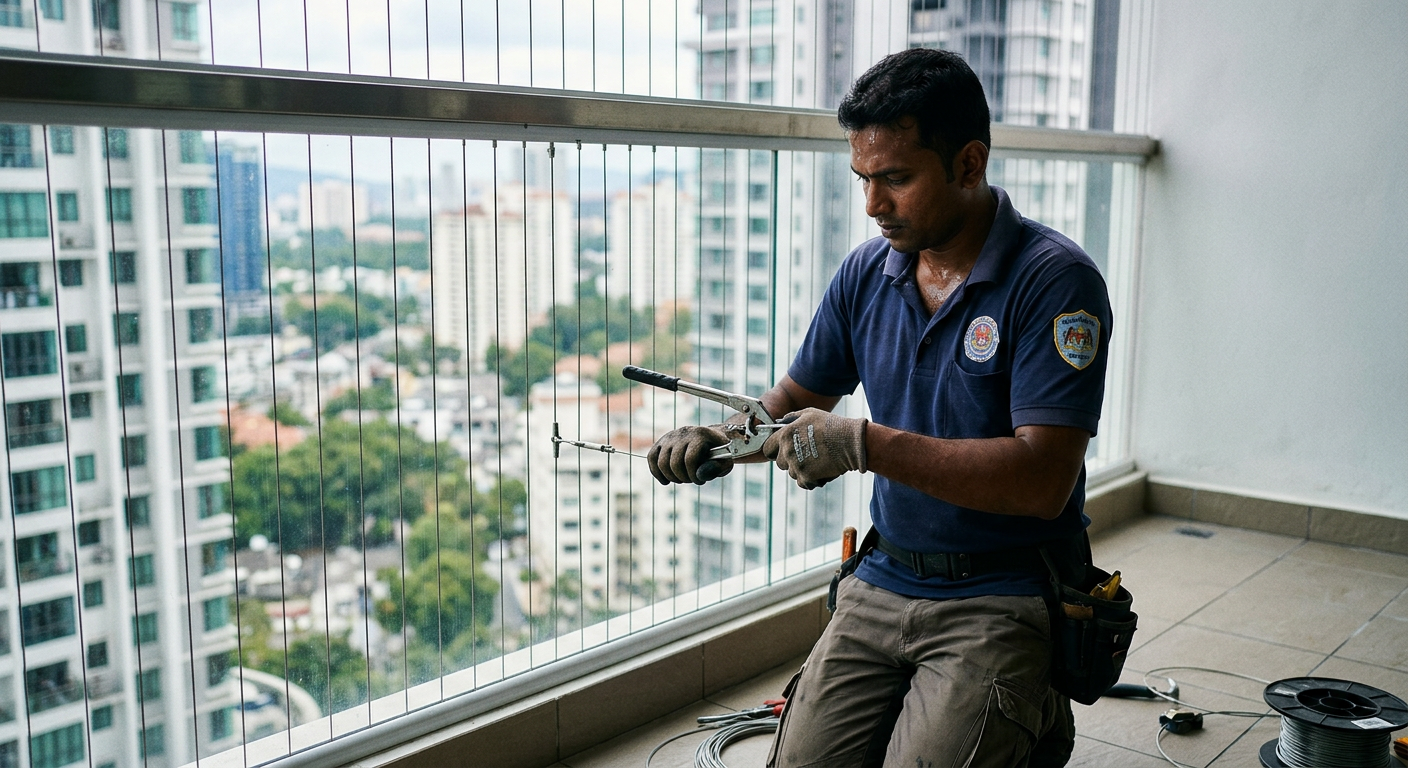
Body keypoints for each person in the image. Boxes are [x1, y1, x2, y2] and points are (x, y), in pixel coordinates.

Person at [647, 47, 1111, 768]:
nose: (872, 204)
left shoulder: (1055, 281)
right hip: (885, 575)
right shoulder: (867, 273)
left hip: (1006, 588)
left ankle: (1036, 710)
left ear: (969, 163)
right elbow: (793, 401)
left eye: (895, 178)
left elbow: (1042, 482)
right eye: (863, 179)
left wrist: (862, 444)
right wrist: (721, 435)